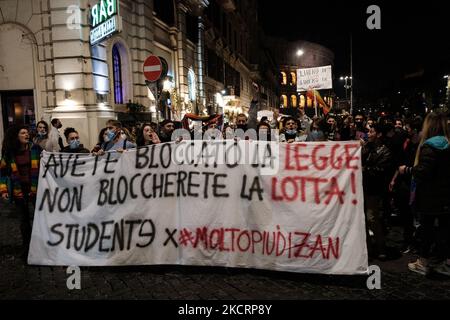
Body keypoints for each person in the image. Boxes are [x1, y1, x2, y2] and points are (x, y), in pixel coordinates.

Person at [399, 112, 450, 276]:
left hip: (430, 196)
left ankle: (423, 262)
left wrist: (406, 170)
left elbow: (423, 172)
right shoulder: (448, 144)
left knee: (426, 230)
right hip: (445, 196)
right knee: (444, 230)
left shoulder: (430, 146)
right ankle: (443, 262)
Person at [0, 125, 42, 263]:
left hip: (35, 189)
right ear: (16, 136)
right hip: (19, 190)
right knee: (24, 221)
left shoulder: (35, 149)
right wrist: (3, 190)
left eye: (27, 132)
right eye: (23, 133)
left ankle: (41, 248)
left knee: (39, 219)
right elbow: (2, 172)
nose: (26, 134)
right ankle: (27, 248)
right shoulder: (10, 153)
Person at [362, 123, 392, 260]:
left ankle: (381, 247)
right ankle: (367, 248)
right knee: (362, 220)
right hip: (362, 188)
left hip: (373, 190)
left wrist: (365, 169)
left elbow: (381, 171)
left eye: (372, 131)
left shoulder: (385, 151)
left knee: (372, 218)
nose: (369, 134)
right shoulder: (367, 147)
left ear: (379, 134)